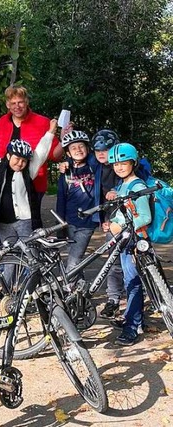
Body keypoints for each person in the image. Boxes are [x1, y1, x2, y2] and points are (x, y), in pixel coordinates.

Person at [0, 111, 57, 299]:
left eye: (24, 160)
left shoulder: (28, 171)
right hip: (4, 222)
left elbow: (41, 153)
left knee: (32, 255)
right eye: (17, 158)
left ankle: (33, 291)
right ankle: (6, 290)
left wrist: (50, 132)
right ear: (8, 155)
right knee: (9, 258)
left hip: (26, 220)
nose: (20, 163)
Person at [105, 142, 151, 346]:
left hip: (136, 241)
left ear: (133, 162)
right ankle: (135, 320)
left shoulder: (138, 186)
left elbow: (144, 217)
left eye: (124, 163)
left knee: (133, 284)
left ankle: (132, 327)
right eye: (116, 164)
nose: (120, 167)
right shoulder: (123, 185)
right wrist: (113, 223)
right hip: (126, 240)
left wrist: (119, 225)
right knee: (129, 281)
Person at [0, 85, 62, 202]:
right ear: (8, 105)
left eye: (20, 102)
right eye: (13, 103)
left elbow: (55, 155)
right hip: (5, 181)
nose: (17, 106)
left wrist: (64, 139)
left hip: (34, 181)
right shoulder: (2, 122)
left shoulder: (42, 122)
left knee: (32, 218)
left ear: (26, 102)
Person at [91, 129, 124, 319]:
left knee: (132, 262)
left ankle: (140, 294)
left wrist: (115, 191)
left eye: (106, 149)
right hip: (111, 223)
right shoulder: (98, 167)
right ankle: (113, 299)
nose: (102, 153)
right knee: (113, 261)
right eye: (98, 150)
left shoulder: (122, 166)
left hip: (129, 222)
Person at [56, 130, 99, 279]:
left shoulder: (94, 167)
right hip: (70, 221)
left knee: (74, 259)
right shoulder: (66, 173)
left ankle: (67, 291)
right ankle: (79, 296)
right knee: (76, 258)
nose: (78, 150)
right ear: (68, 153)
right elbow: (61, 198)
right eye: (73, 148)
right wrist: (60, 224)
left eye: (81, 146)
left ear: (87, 148)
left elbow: (95, 159)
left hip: (87, 221)